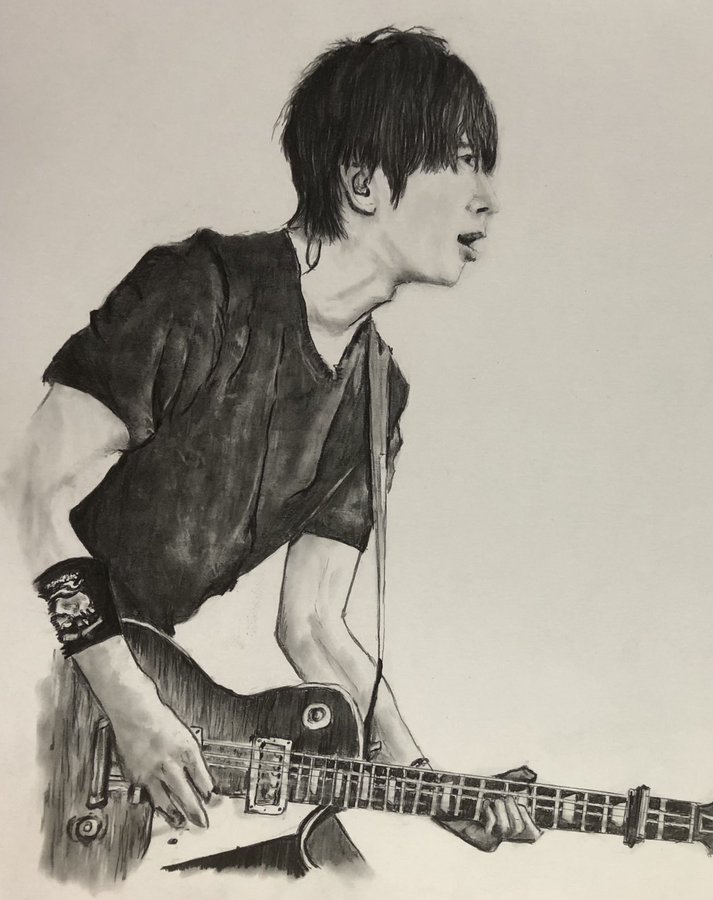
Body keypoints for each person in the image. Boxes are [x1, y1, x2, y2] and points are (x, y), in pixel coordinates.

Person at [7, 26, 539, 878]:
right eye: (464, 162)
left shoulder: (377, 394)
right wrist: (132, 708)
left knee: (350, 880)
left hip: (154, 716)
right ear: (364, 182)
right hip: (43, 684)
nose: (488, 199)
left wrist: (433, 789)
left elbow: (313, 625)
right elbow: (27, 492)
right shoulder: (200, 290)